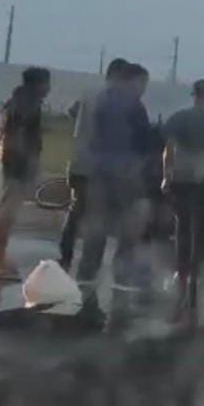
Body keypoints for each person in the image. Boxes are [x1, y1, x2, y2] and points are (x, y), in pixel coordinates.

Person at [75, 63, 152, 288]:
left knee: (96, 222)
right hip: (125, 171)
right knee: (133, 218)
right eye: (143, 83)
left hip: (97, 169)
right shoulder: (133, 104)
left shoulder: (99, 98)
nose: (144, 89)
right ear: (133, 80)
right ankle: (123, 271)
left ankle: (87, 272)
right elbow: (142, 141)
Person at [57, 58, 132, 270]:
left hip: (78, 159)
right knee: (98, 216)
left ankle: (65, 256)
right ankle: (89, 264)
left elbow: (70, 112)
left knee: (75, 211)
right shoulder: (116, 98)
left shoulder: (88, 92)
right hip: (99, 167)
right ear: (118, 75)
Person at [162, 79, 204, 319]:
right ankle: (194, 277)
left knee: (182, 227)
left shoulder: (179, 118)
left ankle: (182, 274)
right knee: (200, 230)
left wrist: (165, 178)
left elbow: (168, 149)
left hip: (182, 179)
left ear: (193, 95)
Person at [0, 66, 51, 280]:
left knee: (0, 213)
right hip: (16, 163)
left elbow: (1, 134)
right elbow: (21, 137)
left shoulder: (13, 101)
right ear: (38, 84)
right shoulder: (28, 104)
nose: (48, 88)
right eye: (46, 83)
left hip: (6, 160)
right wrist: (30, 164)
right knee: (7, 214)